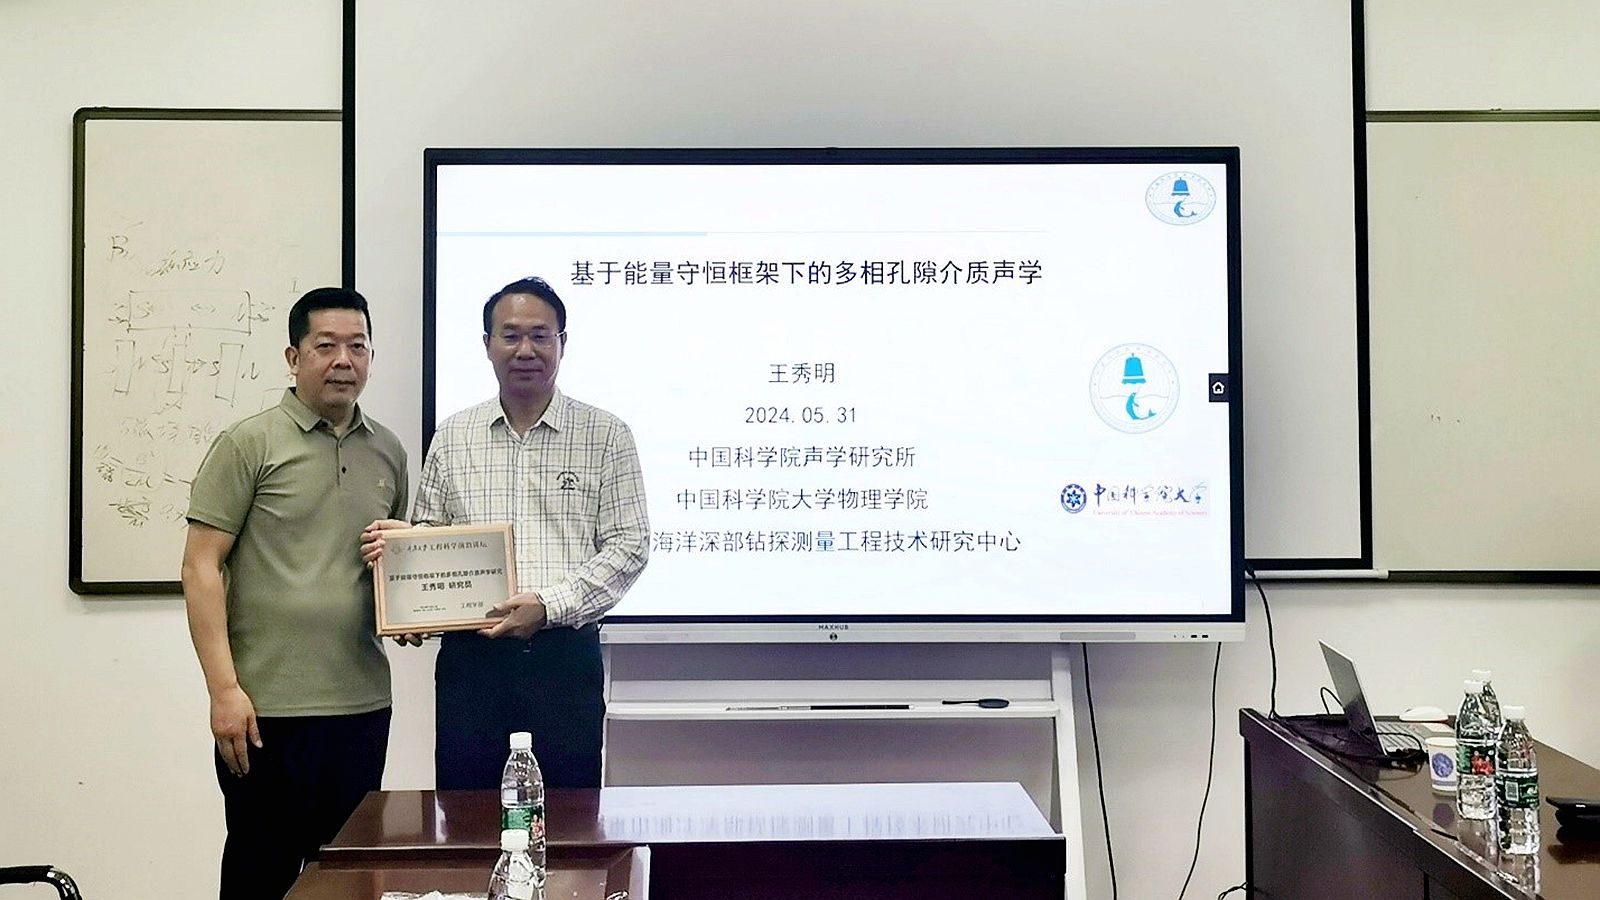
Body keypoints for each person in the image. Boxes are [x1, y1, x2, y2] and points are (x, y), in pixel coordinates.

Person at [363, 275, 649, 790]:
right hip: (472, 666)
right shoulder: (454, 434)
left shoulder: (606, 435)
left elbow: (629, 546)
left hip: (564, 660)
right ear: (487, 344)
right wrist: (404, 581)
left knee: (569, 815)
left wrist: (548, 605)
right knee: (464, 813)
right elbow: (430, 532)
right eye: (510, 335)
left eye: (541, 335)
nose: (526, 350)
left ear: (562, 342)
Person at [181, 287, 408, 900]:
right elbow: (200, 567)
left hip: (361, 704)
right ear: (293, 356)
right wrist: (224, 691)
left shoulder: (388, 450)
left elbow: (389, 569)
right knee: (261, 871)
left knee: (349, 877)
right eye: (325, 346)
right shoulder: (248, 443)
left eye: (357, 346)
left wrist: (413, 611)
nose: (343, 360)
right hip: (265, 711)